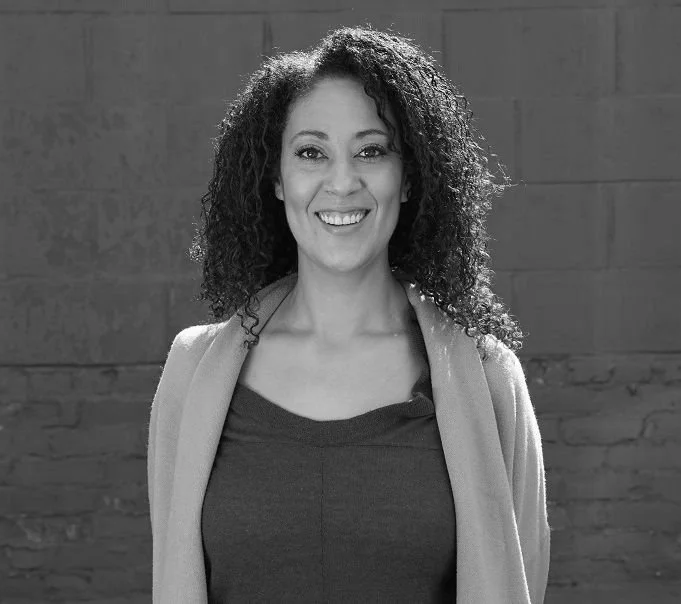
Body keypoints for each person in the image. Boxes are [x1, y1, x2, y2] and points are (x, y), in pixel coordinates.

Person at [147, 26, 550, 604]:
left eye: (371, 150)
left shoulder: (486, 378)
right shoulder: (194, 372)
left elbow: (522, 580)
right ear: (277, 180)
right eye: (311, 152)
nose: (342, 182)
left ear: (408, 177)